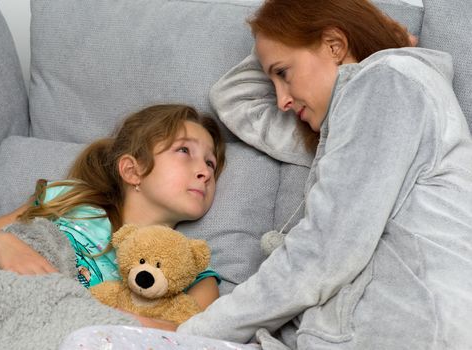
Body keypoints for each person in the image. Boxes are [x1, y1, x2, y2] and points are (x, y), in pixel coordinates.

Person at [176, 0, 472, 349]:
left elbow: (325, 252)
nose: (281, 100)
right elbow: (232, 98)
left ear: (335, 45)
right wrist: (276, 39)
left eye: (283, 73)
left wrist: (188, 337)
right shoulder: (345, 124)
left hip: (410, 330)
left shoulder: (386, 82)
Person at [0, 103, 226, 312]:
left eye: (210, 163)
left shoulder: (191, 271)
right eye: (184, 151)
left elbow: (181, 336)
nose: (204, 171)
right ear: (132, 170)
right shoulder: (69, 200)